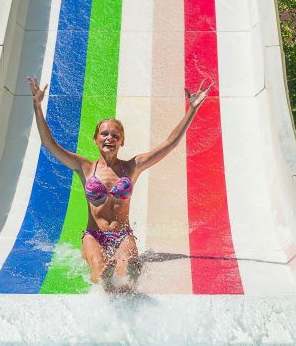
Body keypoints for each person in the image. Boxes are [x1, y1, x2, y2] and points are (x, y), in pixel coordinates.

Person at [27, 76, 212, 287]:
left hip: (122, 235)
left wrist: (192, 109)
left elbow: (170, 144)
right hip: (93, 235)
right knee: (99, 264)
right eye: (104, 134)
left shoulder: (133, 166)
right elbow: (48, 143)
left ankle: (128, 280)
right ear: (96, 139)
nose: (109, 138)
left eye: (115, 135)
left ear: (122, 141)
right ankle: (105, 280)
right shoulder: (85, 167)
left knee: (129, 262)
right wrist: (37, 105)